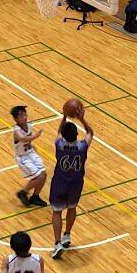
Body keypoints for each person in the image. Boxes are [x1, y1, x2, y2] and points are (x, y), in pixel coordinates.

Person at [49, 108, 93, 259]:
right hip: (76, 183)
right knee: (72, 207)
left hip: (60, 182)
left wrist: (64, 117)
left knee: (57, 211)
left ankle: (57, 243)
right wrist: (81, 119)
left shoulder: (59, 145)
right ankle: (67, 235)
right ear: (76, 134)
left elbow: (59, 133)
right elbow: (90, 133)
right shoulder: (82, 147)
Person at [11, 106, 47, 208]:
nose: (24, 117)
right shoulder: (16, 130)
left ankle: (35, 196)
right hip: (23, 157)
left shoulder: (29, 125)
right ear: (16, 119)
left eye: (25, 114)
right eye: (21, 115)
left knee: (44, 174)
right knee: (39, 177)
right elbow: (22, 138)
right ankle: (23, 192)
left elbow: (27, 141)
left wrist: (32, 146)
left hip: (31, 153)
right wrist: (35, 136)